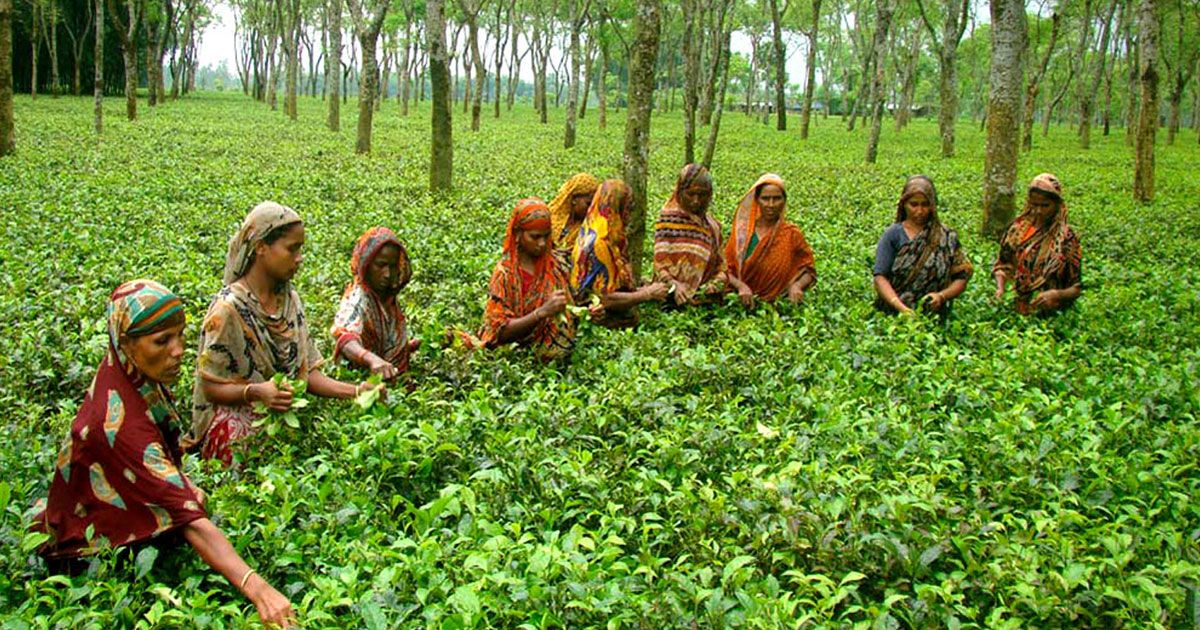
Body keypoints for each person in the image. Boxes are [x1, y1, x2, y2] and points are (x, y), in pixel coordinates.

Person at [32, 280, 296, 628]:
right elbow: (188, 520)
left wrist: (182, 483)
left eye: (181, 336)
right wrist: (259, 589)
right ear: (125, 341)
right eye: (162, 341)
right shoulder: (116, 423)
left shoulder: (129, 375)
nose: (179, 351)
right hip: (87, 550)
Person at [185, 202, 382, 466]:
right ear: (261, 248)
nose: (299, 258)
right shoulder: (228, 309)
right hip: (238, 419)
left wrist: (357, 391)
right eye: (292, 249)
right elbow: (210, 387)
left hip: (282, 414)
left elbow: (308, 372)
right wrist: (256, 392)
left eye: (300, 248)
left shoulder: (290, 301)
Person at [467, 198, 577, 361]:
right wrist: (542, 312)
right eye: (535, 237)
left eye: (546, 237)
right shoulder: (505, 274)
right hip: (512, 354)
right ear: (518, 234)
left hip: (552, 352)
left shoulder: (557, 265)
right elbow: (499, 333)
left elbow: (575, 305)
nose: (542, 243)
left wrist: (593, 311)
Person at [569, 179, 669, 327]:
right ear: (616, 208)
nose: (628, 215)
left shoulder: (594, 227)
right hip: (591, 313)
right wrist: (647, 294)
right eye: (627, 209)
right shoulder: (600, 242)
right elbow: (605, 298)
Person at [873, 175, 974, 314]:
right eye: (913, 204)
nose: (919, 211)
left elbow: (962, 276)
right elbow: (880, 277)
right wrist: (900, 307)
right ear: (904, 204)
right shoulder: (893, 234)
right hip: (893, 314)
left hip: (935, 316)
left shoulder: (946, 235)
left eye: (925, 205)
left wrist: (941, 296)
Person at [330, 226, 420, 381]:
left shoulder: (388, 301)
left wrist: (418, 346)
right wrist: (371, 360)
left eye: (392, 266)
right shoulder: (358, 299)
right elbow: (345, 339)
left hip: (395, 383)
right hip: (364, 385)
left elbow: (386, 347)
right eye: (380, 265)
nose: (387, 274)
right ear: (366, 264)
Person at [993, 173, 1082, 314]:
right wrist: (1001, 288)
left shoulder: (1066, 238)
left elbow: (1076, 288)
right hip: (1014, 310)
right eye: (1034, 204)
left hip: (1051, 315)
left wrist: (1056, 295)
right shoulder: (1017, 229)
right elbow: (1002, 266)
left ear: (1057, 205)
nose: (1038, 211)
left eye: (1045, 205)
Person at [724, 174, 817, 307]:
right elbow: (724, 268)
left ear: (784, 201)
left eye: (777, 199)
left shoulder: (792, 234)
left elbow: (808, 269)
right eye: (765, 199)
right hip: (741, 303)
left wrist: (797, 286)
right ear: (757, 200)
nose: (771, 204)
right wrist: (741, 287)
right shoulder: (743, 232)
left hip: (779, 306)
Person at [653, 163, 725, 306]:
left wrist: (714, 285)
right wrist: (675, 285)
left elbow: (722, 267)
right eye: (690, 194)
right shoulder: (668, 221)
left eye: (702, 195)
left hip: (704, 303)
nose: (696, 201)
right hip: (668, 301)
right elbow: (660, 264)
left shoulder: (713, 226)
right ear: (680, 192)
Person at [548, 172, 601, 268]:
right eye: (588, 204)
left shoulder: (590, 228)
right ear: (574, 199)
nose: (591, 210)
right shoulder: (550, 217)